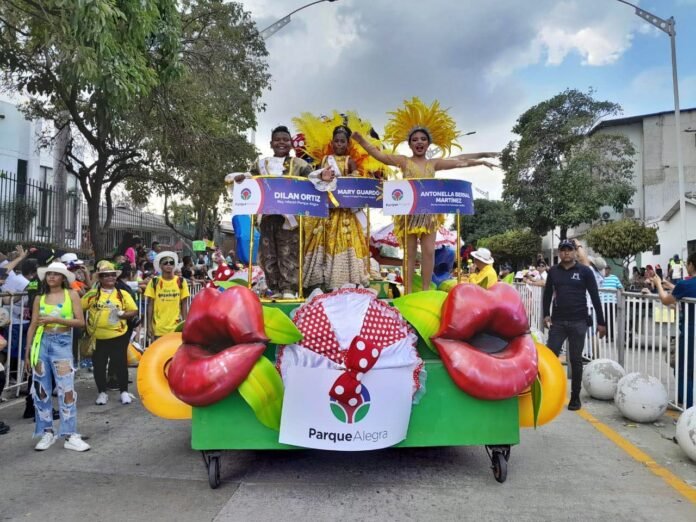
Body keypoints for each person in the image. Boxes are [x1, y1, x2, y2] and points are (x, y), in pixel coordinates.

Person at [353, 98, 496, 292]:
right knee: (410, 254)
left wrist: (482, 157)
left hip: (429, 215)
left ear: (428, 143)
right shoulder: (403, 161)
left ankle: (427, 289)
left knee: (429, 252)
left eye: (423, 139)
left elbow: (458, 160)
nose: (419, 142)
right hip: (409, 214)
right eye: (415, 140)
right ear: (410, 144)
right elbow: (380, 156)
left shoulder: (433, 164)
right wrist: (361, 140)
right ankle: (410, 291)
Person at [231, 125, 315, 298]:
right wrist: (241, 178)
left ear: (291, 144)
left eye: (285, 140)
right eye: (277, 140)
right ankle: (275, 288)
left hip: (290, 219)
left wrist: (322, 176)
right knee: (268, 254)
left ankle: (289, 289)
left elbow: (314, 179)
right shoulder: (261, 164)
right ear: (271, 143)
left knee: (288, 252)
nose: (281, 143)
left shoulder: (300, 164)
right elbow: (249, 178)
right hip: (267, 216)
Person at [24, 261, 89, 451]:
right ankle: (46, 432)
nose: (51, 277)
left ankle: (69, 434)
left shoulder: (71, 295)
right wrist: (28, 351)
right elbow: (33, 325)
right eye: (49, 274)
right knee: (41, 390)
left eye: (56, 274)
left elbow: (80, 322)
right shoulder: (39, 298)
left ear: (62, 278)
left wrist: (56, 319)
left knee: (66, 389)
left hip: (61, 342)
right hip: (41, 343)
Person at [301, 123, 371, 290]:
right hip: (327, 211)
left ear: (348, 144)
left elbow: (355, 182)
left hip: (345, 212)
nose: (339, 144)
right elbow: (316, 180)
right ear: (332, 143)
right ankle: (319, 280)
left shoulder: (350, 161)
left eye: (342, 142)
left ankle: (343, 280)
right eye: (336, 141)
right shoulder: (325, 160)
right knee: (321, 240)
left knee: (345, 242)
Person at [543, 239, 606, 411]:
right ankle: (548, 391)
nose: (566, 253)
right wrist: (545, 314)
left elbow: (594, 296)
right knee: (550, 355)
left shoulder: (585, 271)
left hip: (579, 321)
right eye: (563, 250)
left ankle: (575, 397)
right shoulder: (554, 272)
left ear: (574, 252)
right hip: (558, 322)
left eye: (569, 250)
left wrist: (601, 322)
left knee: (576, 359)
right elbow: (547, 293)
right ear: (559, 253)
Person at [81, 261, 139, 405]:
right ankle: (102, 392)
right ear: (100, 278)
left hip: (118, 335)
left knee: (120, 364)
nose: (110, 278)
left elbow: (134, 310)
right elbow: (79, 308)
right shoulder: (92, 294)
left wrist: (123, 314)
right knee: (99, 366)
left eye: (112, 275)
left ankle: (124, 392)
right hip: (98, 337)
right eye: (106, 276)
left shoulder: (122, 294)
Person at [654, 252, 696, 408]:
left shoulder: (686, 285)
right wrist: (671, 286)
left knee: (684, 369)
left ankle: (686, 405)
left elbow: (666, 300)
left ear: (691, 264)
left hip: (691, 333)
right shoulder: (684, 286)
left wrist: (658, 284)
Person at [144, 251, 189, 341]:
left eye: (171, 263)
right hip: (159, 328)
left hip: (176, 327)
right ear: (160, 266)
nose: (169, 265)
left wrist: (185, 324)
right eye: (165, 263)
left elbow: (184, 304)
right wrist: (149, 326)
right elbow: (150, 305)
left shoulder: (181, 281)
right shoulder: (154, 282)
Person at [600, 265, 623, 336]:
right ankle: (606, 334)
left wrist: (621, 298)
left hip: (612, 302)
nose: (606, 271)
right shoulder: (600, 278)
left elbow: (621, 288)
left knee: (611, 319)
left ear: (609, 270)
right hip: (603, 302)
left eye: (607, 269)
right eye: (604, 269)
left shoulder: (614, 278)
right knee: (604, 318)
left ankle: (611, 335)